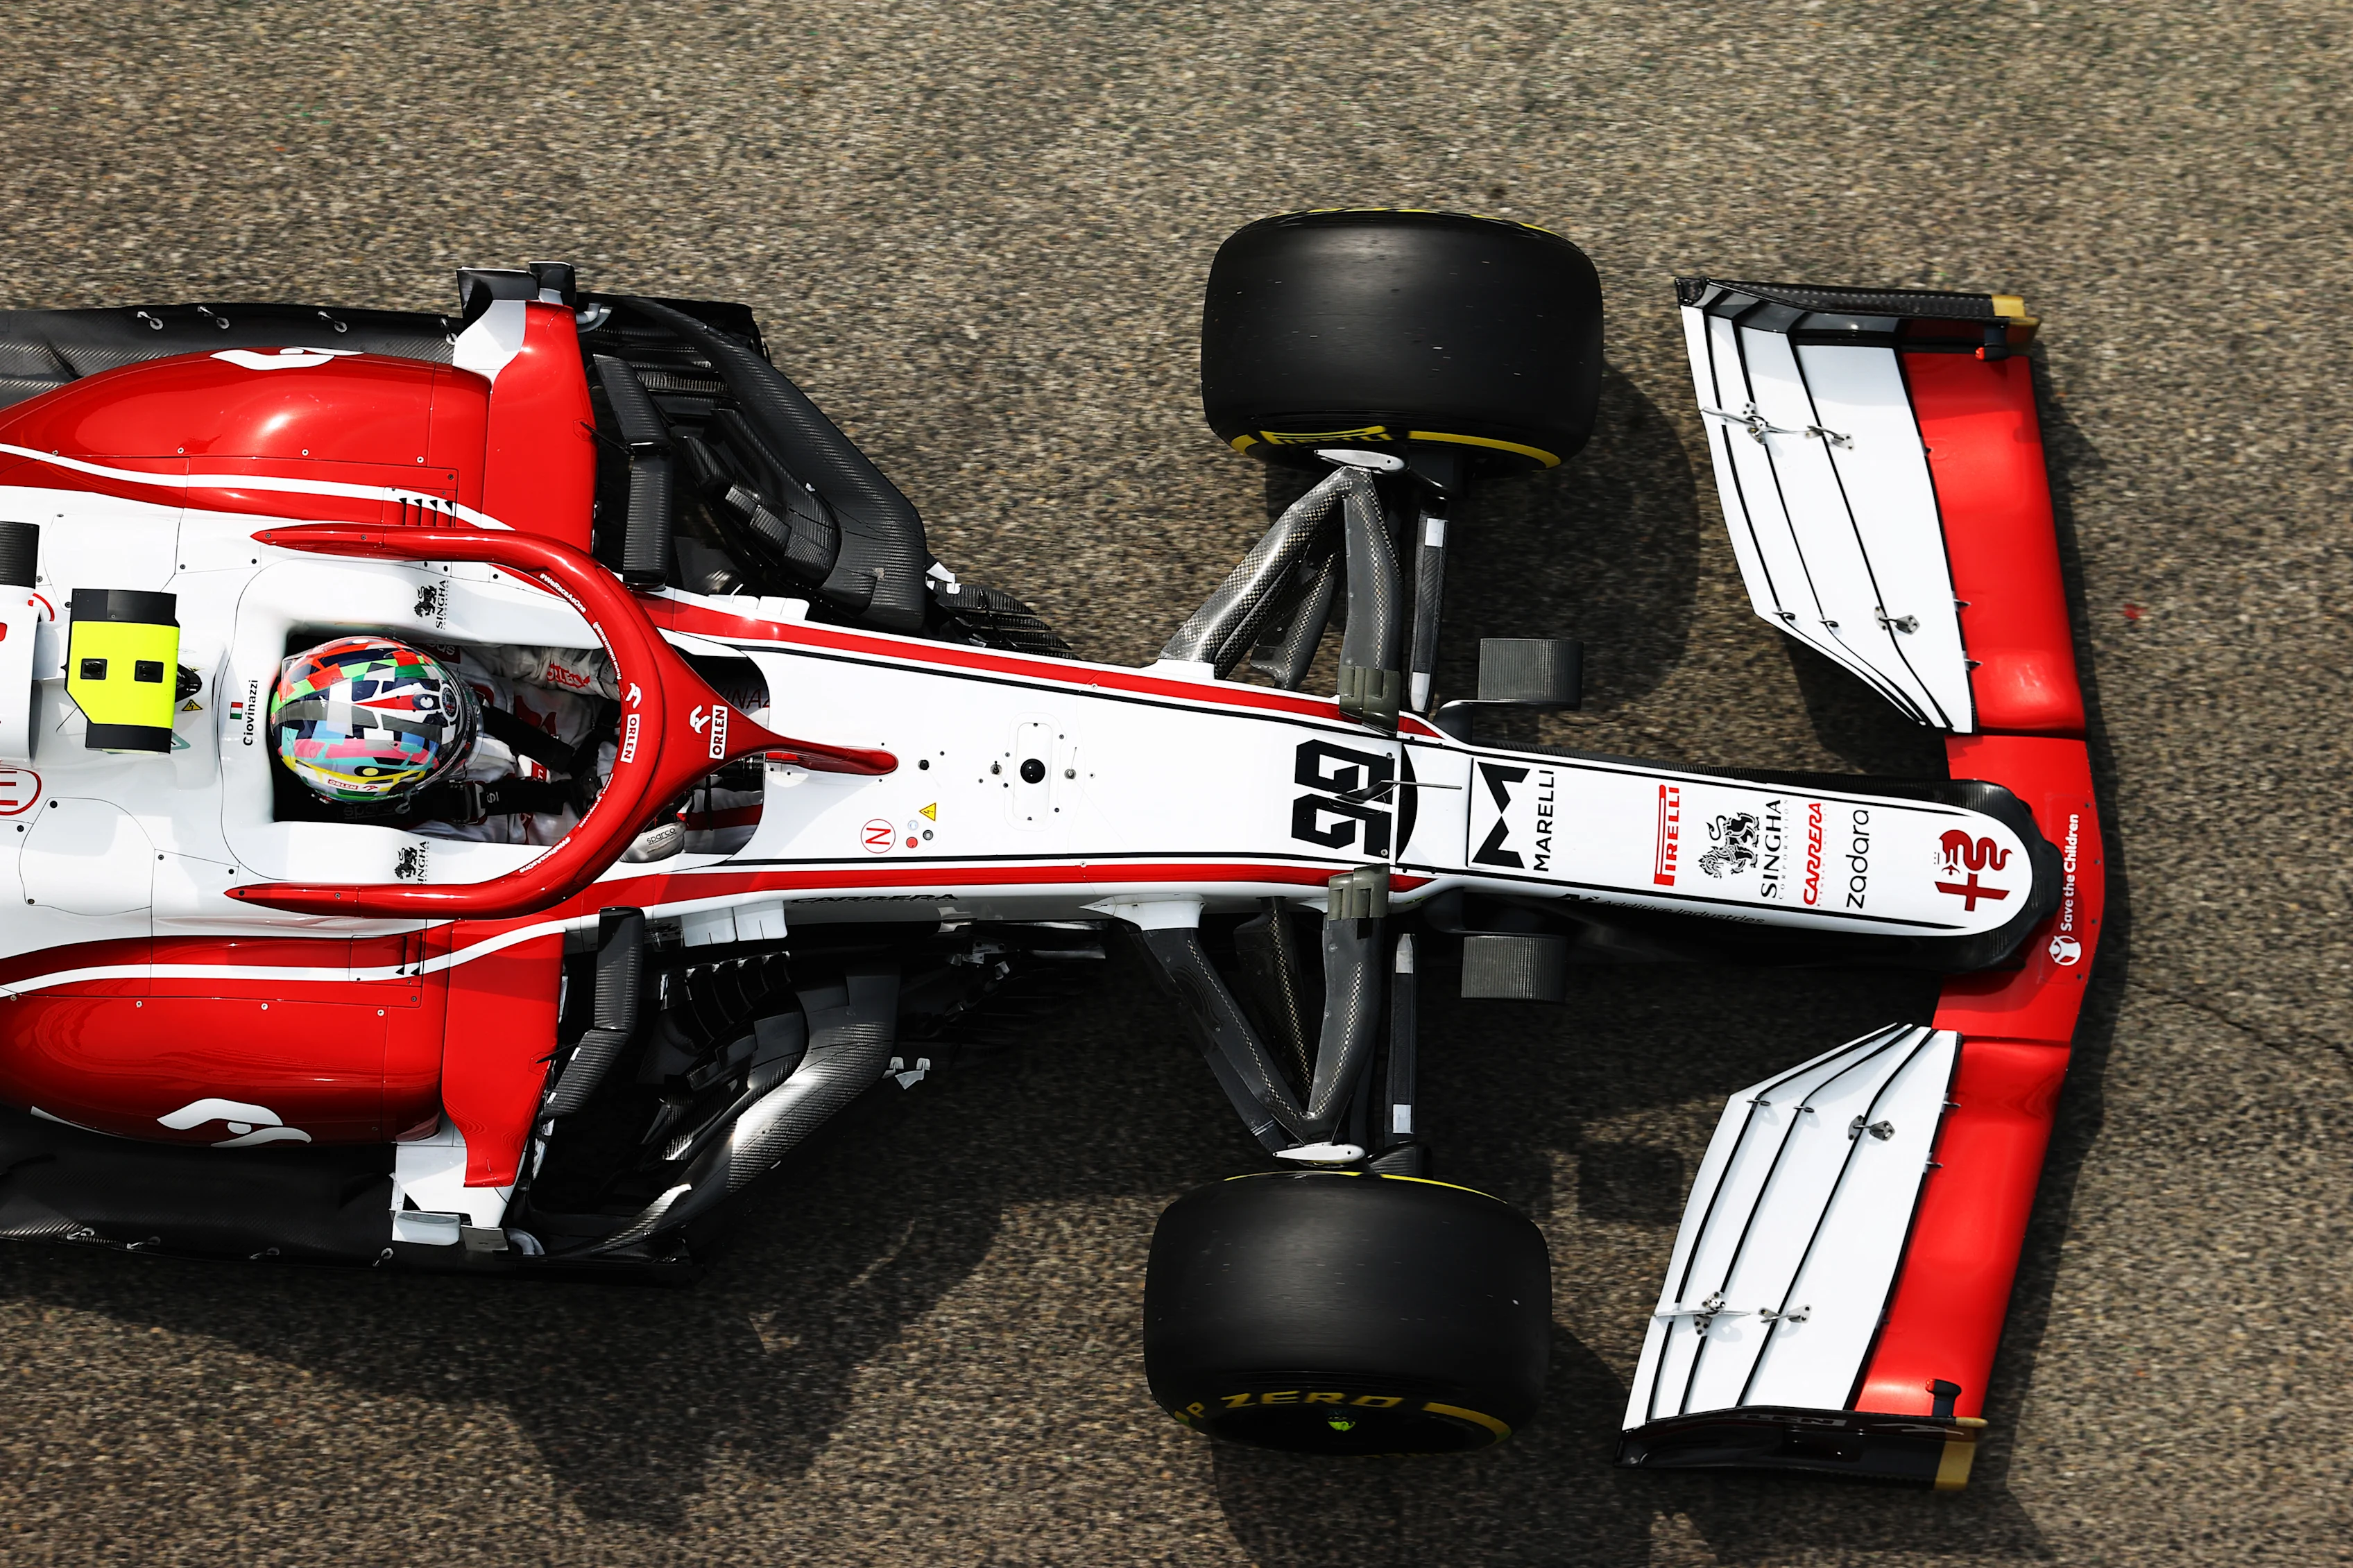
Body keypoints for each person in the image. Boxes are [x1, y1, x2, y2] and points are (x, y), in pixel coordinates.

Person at [269, 635, 615, 847]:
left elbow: (543, 662)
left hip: (617, 711)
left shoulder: (435, 653)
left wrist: (610, 675)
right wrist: (618, 846)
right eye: (451, 748)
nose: (474, 737)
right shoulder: (424, 833)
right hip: (603, 822)